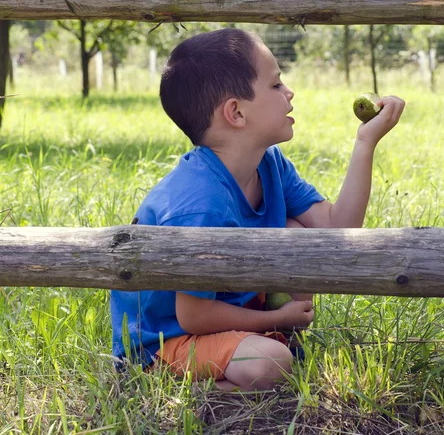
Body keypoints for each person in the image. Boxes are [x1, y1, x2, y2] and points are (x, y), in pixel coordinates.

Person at [110, 28, 405, 392]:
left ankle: (265, 345)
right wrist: (278, 318)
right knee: (270, 364)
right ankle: (157, 385)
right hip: (165, 342)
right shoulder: (199, 204)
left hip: (222, 318)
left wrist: (365, 142)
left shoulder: (270, 164)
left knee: (295, 229)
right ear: (235, 112)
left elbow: (337, 228)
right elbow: (193, 315)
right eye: (277, 85)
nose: (289, 93)